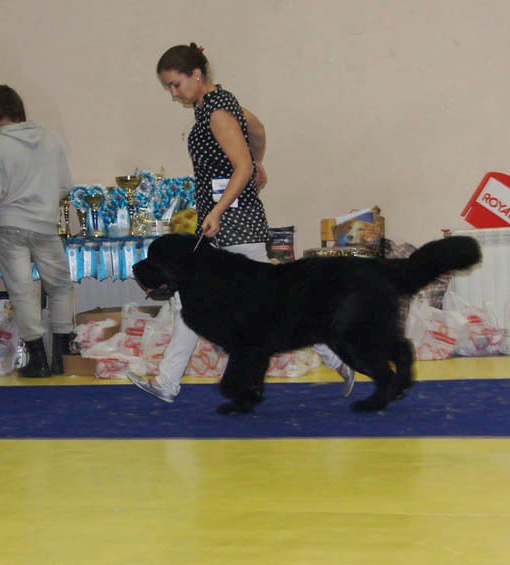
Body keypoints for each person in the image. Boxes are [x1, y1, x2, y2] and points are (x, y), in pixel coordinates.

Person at [127, 43, 355, 403]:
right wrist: (257, 160)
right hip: (222, 221)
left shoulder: (216, 114)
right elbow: (257, 130)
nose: (174, 94)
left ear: (196, 75)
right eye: (169, 87)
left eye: (176, 85)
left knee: (276, 307)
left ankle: (339, 359)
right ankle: (167, 382)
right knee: (197, 303)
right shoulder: (217, 104)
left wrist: (228, 196)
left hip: (234, 223)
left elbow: (242, 167)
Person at [0, 84, 75, 377]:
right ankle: (62, 357)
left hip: (11, 226)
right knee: (59, 287)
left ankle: (38, 360)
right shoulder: (51, 140)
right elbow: (65, 186)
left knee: (22, 291)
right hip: (46, 225)